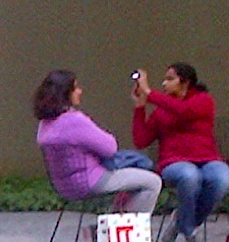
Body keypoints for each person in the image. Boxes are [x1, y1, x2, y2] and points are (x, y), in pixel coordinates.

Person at [131, 61, 229, 242]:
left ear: (185, 82)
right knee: (189, 176)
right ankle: (189, 232)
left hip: (207, 159)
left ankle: (180, 221)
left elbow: (184, 111)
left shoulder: (203, 100)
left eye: (170, 79)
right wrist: (140, 108)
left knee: (222, 178)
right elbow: (141, 140)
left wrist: (149, 91)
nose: (164, 83)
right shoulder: (161, 111)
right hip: (174, 162)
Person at [34, 70, 163, 213]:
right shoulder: (74, 120)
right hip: (91, 181)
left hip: (64, 186)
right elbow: (110, 148)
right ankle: (118, 230)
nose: (80, 91)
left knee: (135, 173)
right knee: (152, 182)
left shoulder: (45, 124)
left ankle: (109, 226)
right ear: (65, 93)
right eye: (75, 88)